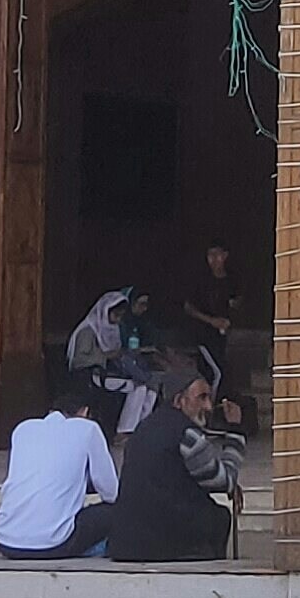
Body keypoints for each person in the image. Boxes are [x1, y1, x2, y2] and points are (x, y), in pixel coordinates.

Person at [107, 366, 245, 564]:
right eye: (202, 398)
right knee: (218, 517)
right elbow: (224, 481)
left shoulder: (143, 428)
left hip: (127, 545)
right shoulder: (187, 435)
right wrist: (235, 432)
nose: (208, 406)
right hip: (164, 544)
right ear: (179, 401)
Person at [0, 387, 120, 560]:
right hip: (53, 545)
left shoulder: (23, 429)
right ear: (85, 412)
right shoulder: (88, 428)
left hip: (7, 543)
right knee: (114, 511)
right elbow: (111, 492)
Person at [181, 241, 264, 434]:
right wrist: (211, 321)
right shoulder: (202, 280)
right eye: (210, 256)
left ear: (225, 256)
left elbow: (236, 302)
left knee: (221, 374)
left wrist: (231, 313)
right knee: (217, 373)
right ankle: (206, 417)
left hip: (221, 338)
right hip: (203, 337)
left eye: (217, 255)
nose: (214, 260)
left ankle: (216, 416)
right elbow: (189, 307)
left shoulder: (231, 280)